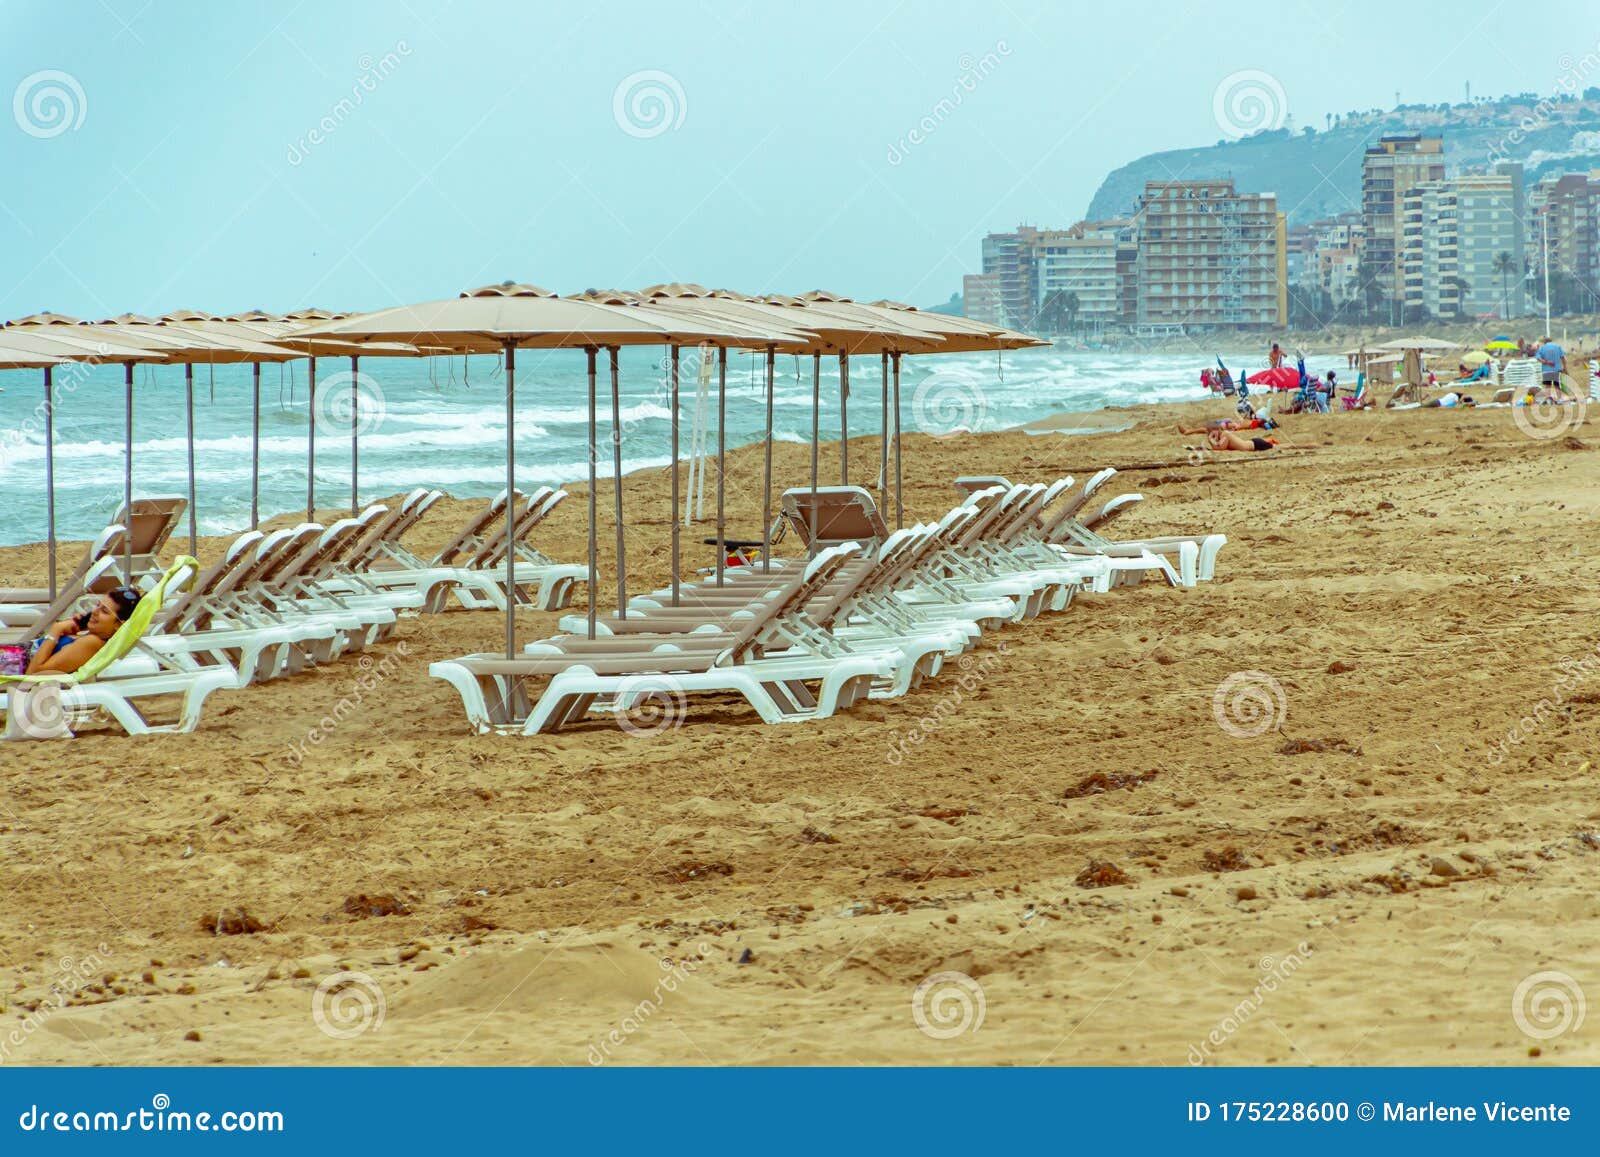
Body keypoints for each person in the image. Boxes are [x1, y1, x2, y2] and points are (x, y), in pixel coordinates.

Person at [10, 587, 140, 677]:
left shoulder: (92, 642)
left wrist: (56, 631)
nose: (95, 611)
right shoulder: (92, 637)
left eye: (104, 611)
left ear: (119, 624)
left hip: (10, 663)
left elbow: (33, 674)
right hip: (11, 656)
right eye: (98, 605)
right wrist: (74, 631)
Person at [1205, 425, 1276, 452]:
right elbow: (1218, 446)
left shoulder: (1225, 434)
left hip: (1255, 445)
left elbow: (1220, 448)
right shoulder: (1222, 436)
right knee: (1274, 446)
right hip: (1253, 443)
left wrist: (1210, 440)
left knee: (1278, 447)